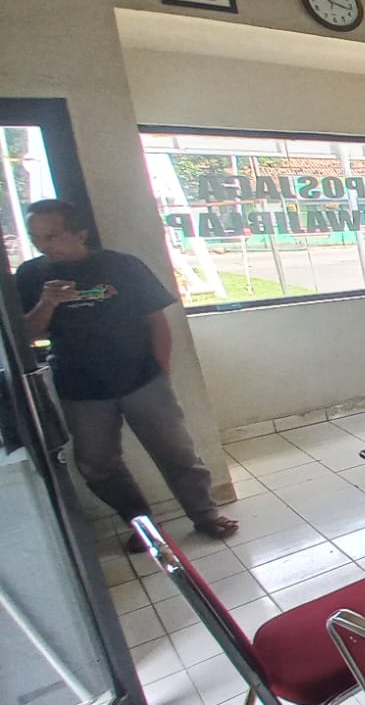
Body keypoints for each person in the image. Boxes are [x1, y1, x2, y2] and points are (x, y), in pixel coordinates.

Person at [16, 200, 238, 552]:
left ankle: (205, 514)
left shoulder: (121, 266)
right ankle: (143, 524)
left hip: (142, 378)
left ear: (80, 233)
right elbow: (25, 335)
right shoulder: (30, 276)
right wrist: (47, 303)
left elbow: (156, 320)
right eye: (36, 237)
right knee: (96, 464)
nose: (44, 245)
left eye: (53, 236)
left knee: (176, 452)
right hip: (80, 387)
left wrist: (161, 370)